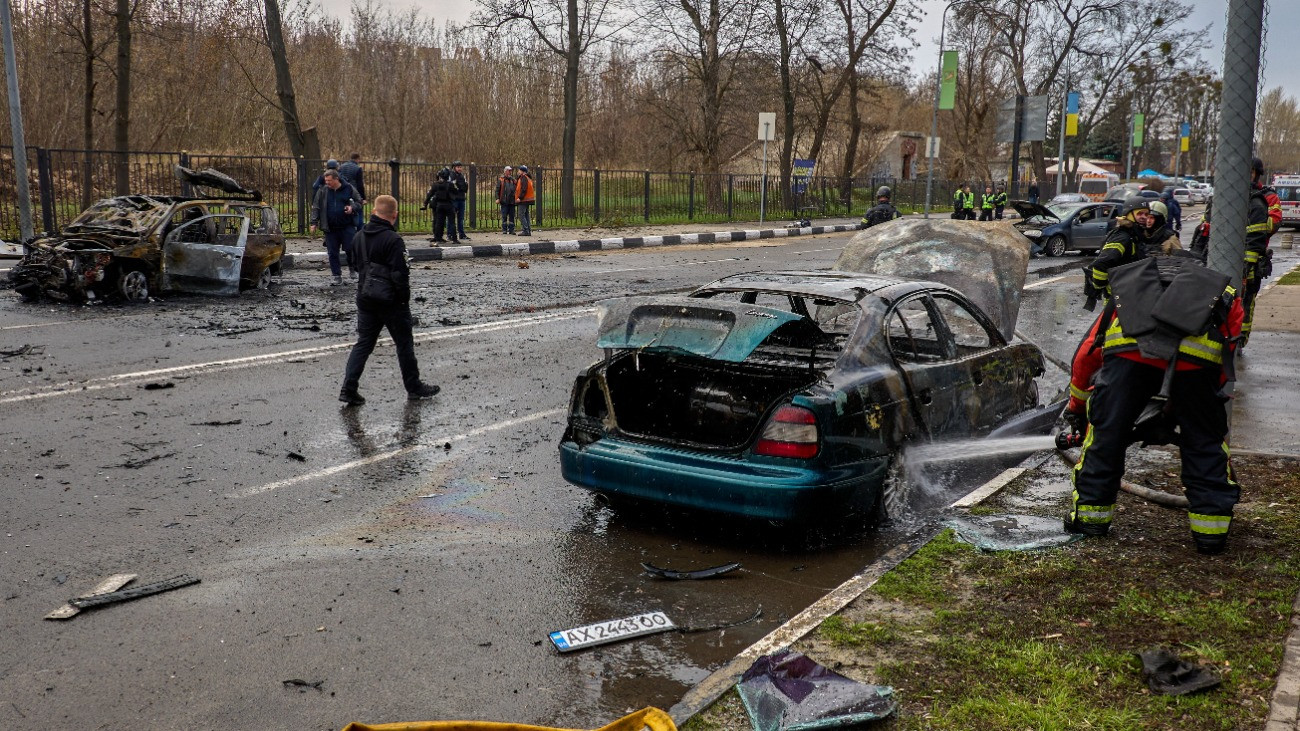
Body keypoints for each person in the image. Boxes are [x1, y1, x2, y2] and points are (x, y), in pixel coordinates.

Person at [1065, 239, 1243, 554]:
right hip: (1196, 372)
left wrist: (1077, 409)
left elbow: (1086, 357)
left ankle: (1091, 521)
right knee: (1205, 442)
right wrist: (1198, 404)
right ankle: (1210, 534)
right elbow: (1226, 357)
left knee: (1105, 438)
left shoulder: (1129, 284)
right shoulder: (1223, 291)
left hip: (1127, 364)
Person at [1061, 197, 1181, 435]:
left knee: (1096, 356)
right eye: (1140, 214)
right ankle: (1076, 411)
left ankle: (1084, 408)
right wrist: (1106, 290)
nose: (1145, 218)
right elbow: (1101, 266)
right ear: (1128, 215)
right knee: (1087, 355)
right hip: (1121, 306)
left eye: (1148, 215)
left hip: (1133, 306)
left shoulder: (1140, 237)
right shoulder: (1124, 237)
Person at [339, 194, 440, 406]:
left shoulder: (358, 236)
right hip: (391, 301)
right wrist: (404, 300)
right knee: (404, 344)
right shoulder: (393, 240)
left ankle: (349, 388)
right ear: (395, 215)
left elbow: (354, 264)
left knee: (364, 344)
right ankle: (413, 387)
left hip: (365, 297)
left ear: (374, 212)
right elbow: (400, 274)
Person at [310, 169, 363, 285]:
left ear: (336, 179)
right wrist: (313, 222)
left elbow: (359, 201)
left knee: (350, 249)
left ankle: (353, 268)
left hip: (347, 226)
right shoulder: (323, 190)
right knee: (332, 252)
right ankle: (336, 275)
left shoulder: (348, 188)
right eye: (326, 180)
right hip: (330, 228)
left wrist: (352, 208)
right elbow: (316, 206)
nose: (327, 183)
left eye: (329, 181)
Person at [422, 168, 458, 243]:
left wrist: (425, 204)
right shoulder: (450, 184)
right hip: (448, 205)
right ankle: (454, 238)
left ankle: (438, 238)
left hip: (439, 205)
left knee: (439, 222)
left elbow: (429, 195)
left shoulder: (435, 185)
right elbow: (456, 192)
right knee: (451, 222)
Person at [339, 153, 368, 228]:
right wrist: (363, 198)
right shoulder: (358, 168)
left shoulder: (341, 166)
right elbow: (360, 184)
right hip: (354, 192)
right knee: (358, 209)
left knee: (346, 209)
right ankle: (359, 228)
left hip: (343, 191)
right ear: (357, 159)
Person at [449, 161, 470, 241]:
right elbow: (453, 187)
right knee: (451, 217)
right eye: (458, 167)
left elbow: (465, 187)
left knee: (461, 218)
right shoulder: (451, 175)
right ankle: (450, 234)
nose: (460, 169)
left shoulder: (462, 176)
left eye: (460, 167)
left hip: (461, 198)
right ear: (454, 168)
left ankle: (461, 234)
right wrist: (460, 186)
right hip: (454, 199)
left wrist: (460, 186)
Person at [514, 165, 536, 236]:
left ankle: (525, 230)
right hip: (528, 199)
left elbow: (523, 189)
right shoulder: (528, 178)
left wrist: (520, 198)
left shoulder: (523, 178)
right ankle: (528, 230)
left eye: (519, 170)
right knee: (526, 215)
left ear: (522, 171)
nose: (518, 171)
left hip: (524, 200)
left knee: (521, 215)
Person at [496, 166, 517, 234]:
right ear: (505, 171)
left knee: (512, 216)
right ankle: (504, 229)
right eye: (509, 171)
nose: (510, 172)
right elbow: (497, 190)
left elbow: (516, 188)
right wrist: (497, 198)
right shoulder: (501, 180)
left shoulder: (513, 180)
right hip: (504, 201)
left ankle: (511, 229)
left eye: (510, 171)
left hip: (512, 201)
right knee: (504, 216)